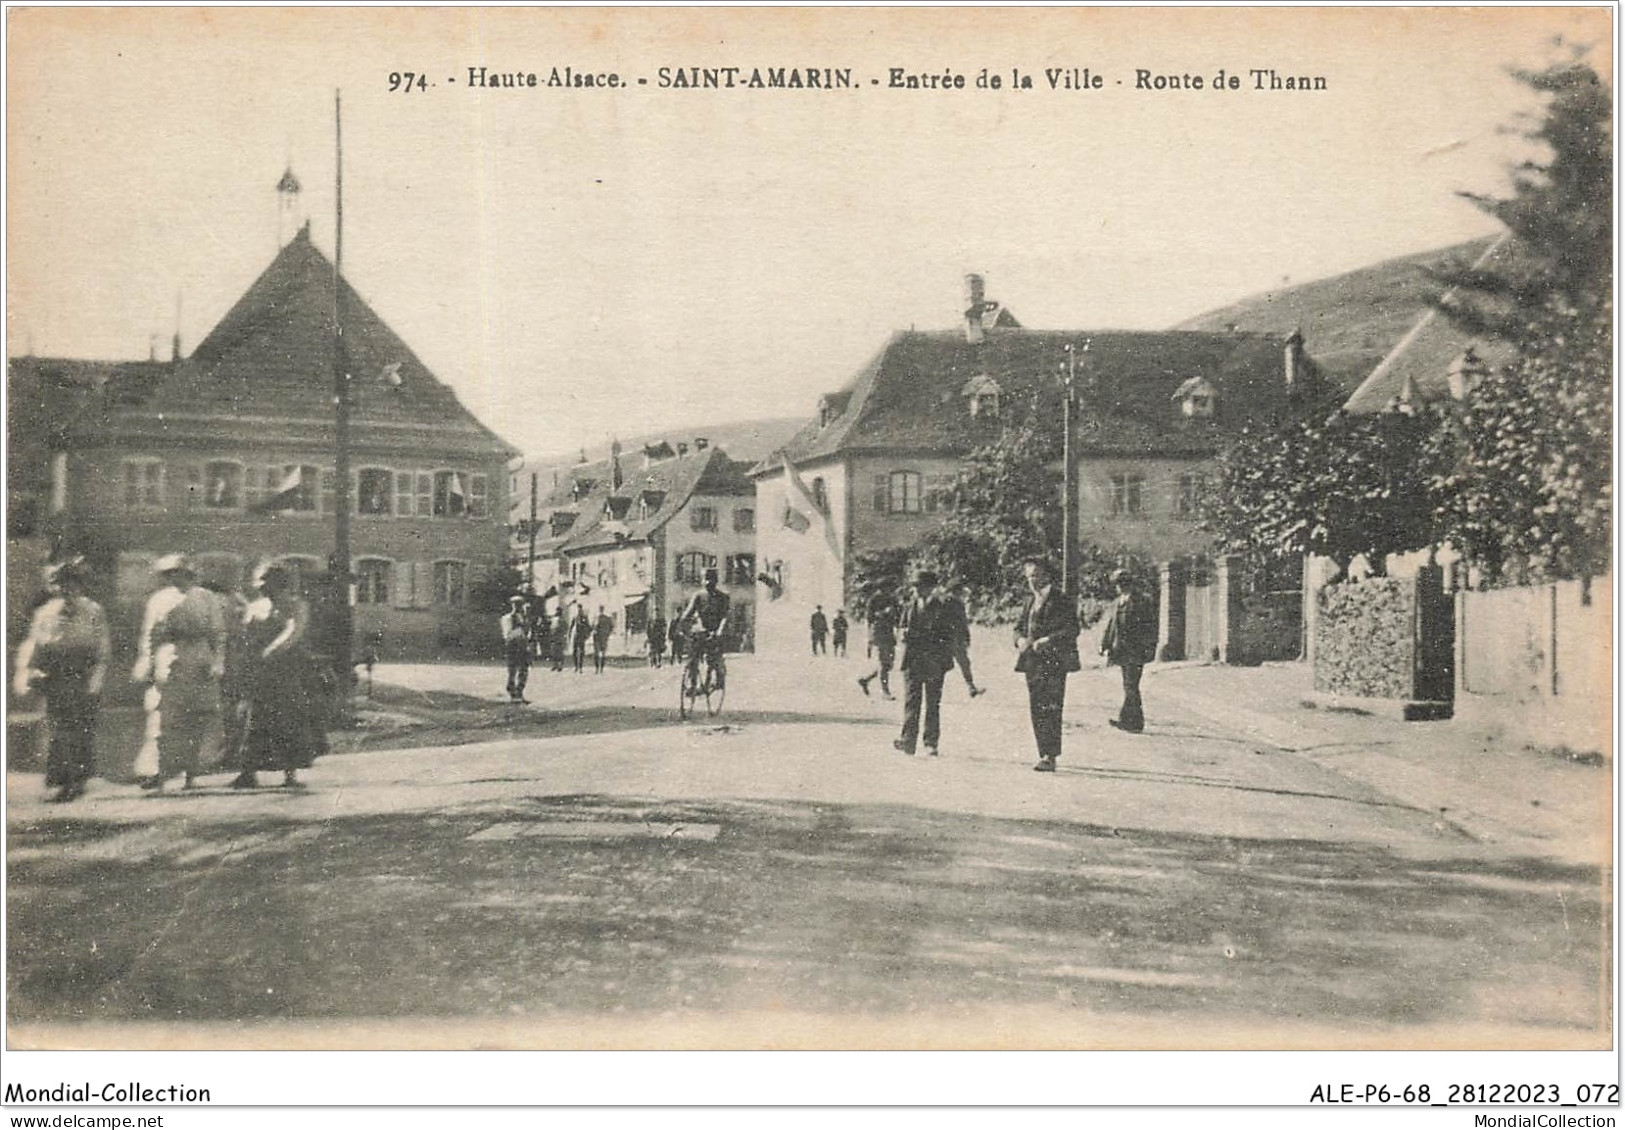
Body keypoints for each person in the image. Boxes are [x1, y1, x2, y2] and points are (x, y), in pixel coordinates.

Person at [13, 557, 112, 803]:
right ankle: (59, 781)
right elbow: (34, 645)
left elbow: (102, 650)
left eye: (72, 584)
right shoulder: (46, 613)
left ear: (80, 586)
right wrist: (29, 672)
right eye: (61, 585)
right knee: (57, 730)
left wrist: (96, 680)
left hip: (83, 676)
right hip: (55, 677)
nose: (67, 590)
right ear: (53, 587)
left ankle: (78, 780)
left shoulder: (93, 611)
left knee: (80, 729)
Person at [133, 554, 227, 792]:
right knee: (162, 716)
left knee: (196, 718)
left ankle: (191, 773)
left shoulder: (206, 597)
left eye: (182, 573)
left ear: (191, 575)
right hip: (169, 658)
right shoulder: (158, 599)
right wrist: (148, 660)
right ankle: (157, 772)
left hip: (199, 659)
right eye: (171, 574)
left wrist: (217, 662)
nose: (177, 578)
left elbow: (218, 634)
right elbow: (149, 634)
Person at [231, 566, 327, 789]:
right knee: (254, 719)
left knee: (288, 718)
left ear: (280, 583)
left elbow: (293, 632)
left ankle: (290, 773)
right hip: (259, 671)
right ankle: (248, 772)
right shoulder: (255, 607)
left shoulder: (296, 605)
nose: (265, 590)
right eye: (262, 585)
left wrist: (272, 650)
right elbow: (244, 637)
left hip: (287, 670)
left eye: (268, 584)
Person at [1014, 558, 1081, 772]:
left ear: (1046, 575)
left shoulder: (1061, 600)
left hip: (1054, 662)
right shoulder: (1029, 602)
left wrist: (1049, 640)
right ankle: (1042, 751)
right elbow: (1018, 628)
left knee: (1051, 706)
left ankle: (1049, 755)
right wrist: (1020, 640)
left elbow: (1072, 629)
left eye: (1035, 575)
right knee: (1036, 706)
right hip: (1032, 662)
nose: (1032, 580)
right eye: (1028, 576)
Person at [893, 571, 965, 757]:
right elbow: (900, 628)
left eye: (921, 586)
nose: (917, 590)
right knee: (911, 701)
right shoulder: (909, 606)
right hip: (912, 660)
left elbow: (947, 636)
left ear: (932, 587)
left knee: (932, 703)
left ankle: (930, 742)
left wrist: (918, 636)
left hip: (934, 661)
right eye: (915, 586)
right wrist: (902, 634)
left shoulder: (942, 607)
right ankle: (908, 741)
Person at [1100, 568, 1157, 734]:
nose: (1118, 587)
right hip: (1122, 650)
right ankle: (1130, 721)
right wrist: (1104, 644)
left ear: (1127, 584)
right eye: (1117, 584)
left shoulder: (1141, 601)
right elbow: (1112, 626)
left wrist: (1148, 647)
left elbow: (1149, 627)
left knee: (1131, 685)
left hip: (1136, 650)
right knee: (1129, 685)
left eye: (1120, 583)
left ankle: (1133, 722)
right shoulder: (1119, 602)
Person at [678, 568, 730, 690]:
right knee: (693, 657)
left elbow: (725, 616)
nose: (707, 582)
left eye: (710, 579)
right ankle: (692, 683)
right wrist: (683, 626)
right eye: (705, 579)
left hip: (716, 631)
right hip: (701, 631)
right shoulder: (698, 596)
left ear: (716, 580)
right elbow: (688, 613)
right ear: (701, 580)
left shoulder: (723, 597)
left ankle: (718, 679)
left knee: (714, 657)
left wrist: (720, 631)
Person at [856, 591, 899, 700]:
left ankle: (866, 680)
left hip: (889, 634)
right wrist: (869, 639)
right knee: (883, 663)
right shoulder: (874, 599)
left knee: (888, 665)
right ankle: (885, 692)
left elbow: (897, 617)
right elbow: (869, 618)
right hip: (878, 633)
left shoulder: (892, 599)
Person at [501, 594, 531, 703]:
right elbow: (507, 634)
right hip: (513, 646)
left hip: (522, 646)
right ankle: (512, 692)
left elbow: (527, 631)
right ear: (512, 605)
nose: (518, 607)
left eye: (520, 605)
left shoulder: (524, 617)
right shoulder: (507, 618)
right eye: (516, 605)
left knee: (523, 670)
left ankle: (519, 692)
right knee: (512, 670)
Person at [568, 604, 591, 674]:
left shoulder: (584, 617)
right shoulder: (575, 618)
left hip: (581, 636)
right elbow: (571, 626)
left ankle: (580, 667)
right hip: (576, 636)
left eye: (580, 609)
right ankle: (576, 666)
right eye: (578, 609)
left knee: (581, 652)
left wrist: (587, 635)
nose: (579, 611)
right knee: (575, 652)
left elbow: (588, 627)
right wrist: (569, 634)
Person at [592, 606, 614, 674]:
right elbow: (611, 627)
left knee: (597, 653)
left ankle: (598, 668)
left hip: (599, 638)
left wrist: (607, 633)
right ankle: (600, 669)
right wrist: (608, 633)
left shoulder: (598, 618)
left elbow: (593, 627)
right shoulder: (607, 618)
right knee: (601, 653)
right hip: (602, 638)